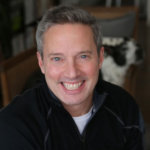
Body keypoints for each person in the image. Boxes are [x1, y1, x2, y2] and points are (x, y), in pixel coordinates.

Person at [0, 5, 144, 150]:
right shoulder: (14, 124)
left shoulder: (126, 107)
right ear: (41, 62)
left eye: (83, 56)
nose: (72, 73)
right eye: (57, 58)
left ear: (100, 58)